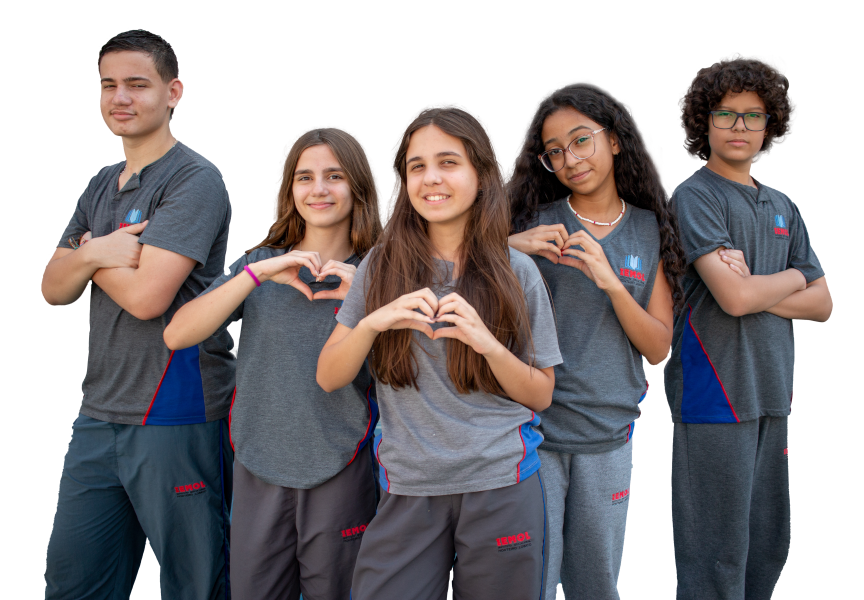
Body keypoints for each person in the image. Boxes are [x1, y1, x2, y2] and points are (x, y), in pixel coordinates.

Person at [316, 102, 562, 600]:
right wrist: (373, 321)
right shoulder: (379, 267)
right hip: (408, 487)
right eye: (417, 166)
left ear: (479, 173)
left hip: (501, 484)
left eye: (448, 162)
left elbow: (542, 395)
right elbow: (328, 375)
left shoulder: (518, 271)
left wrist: (486, 343)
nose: (432, 178)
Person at [41, 30, 234, 599]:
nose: (119, 97)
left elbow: (149, 298)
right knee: (74, 581)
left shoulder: (195, 179)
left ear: (173, 92)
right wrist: (101, 251)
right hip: (99, 409)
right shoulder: (101, 182)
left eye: (136, 84)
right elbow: (52, 290)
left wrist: (82, 255)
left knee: (193, 582)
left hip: (175, 409)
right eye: (108, 85)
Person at [164, 124, 381, 600]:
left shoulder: (381, 273)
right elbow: (178, 333)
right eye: (305, 177)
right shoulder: (259, 265)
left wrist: (365, 296)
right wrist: (256, 274)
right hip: (258, 465)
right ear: (289, 190)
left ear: (358, 186)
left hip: (340, 465)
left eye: (334, 176)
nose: (319, 189)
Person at [507, 79, 687, 600]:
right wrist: (507, 245)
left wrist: (611, 282)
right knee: (531, 584)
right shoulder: (534, 225)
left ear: (613, 140)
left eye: (581, 140)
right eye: (554, 152)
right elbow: (453, 274)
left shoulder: (651, 229)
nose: (569, 159)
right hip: (533, 433)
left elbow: (658, 349)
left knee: (597, 585)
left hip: (608, 436)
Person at [665, 58, 831, 599]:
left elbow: (824, 305)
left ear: (769, 125)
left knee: (768, 544)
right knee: (717, 551)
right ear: (703, 122)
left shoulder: (784, 205)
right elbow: (733, 300)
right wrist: (790, 280)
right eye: (726, 113)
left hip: (773, 394)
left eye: (752, 116)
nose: (739, 126)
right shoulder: (695, 197)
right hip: (715, 396)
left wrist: (763, 283)